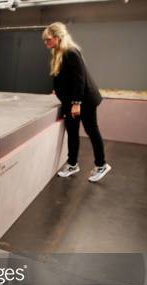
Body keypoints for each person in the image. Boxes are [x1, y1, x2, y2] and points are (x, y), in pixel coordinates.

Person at [43, 22, 111, 182]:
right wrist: (59, 90)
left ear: (58, 38)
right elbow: (67, 77)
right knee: (72, 132)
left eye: (48, 39)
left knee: (92, 130)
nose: (46, 43)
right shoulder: (59, 52)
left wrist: (76, 103)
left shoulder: (71, 52)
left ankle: (101, 165)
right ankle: (73, 164)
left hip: (84, 101)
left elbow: (80, 80)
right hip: (72, 100)